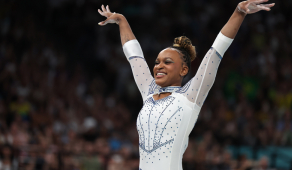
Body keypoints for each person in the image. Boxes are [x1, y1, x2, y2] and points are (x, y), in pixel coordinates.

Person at [97, 0, 275, 169]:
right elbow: (134, 56)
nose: (159, 66)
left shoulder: (190, 95)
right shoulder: (148, 91)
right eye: (157, 62)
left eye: (167, 62)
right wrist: (121, 20)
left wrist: (239, 12)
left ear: (183, 70)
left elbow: (216, 51)